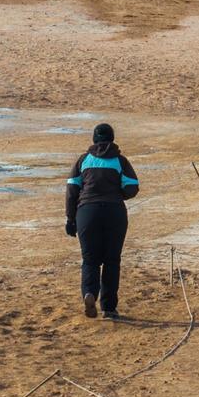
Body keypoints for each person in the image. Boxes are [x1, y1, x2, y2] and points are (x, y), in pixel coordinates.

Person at [64, 122, 139, 318]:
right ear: (112, 138)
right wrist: (117, 194)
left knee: (90, 260)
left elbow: (72, 191)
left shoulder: (83, 160)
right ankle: (109, 309)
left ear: (94, 139)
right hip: (115, 212)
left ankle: (89, 293)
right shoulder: (120, 161)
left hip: (87, 212)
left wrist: (70, 219)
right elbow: (133, 186)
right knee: (112, 261)